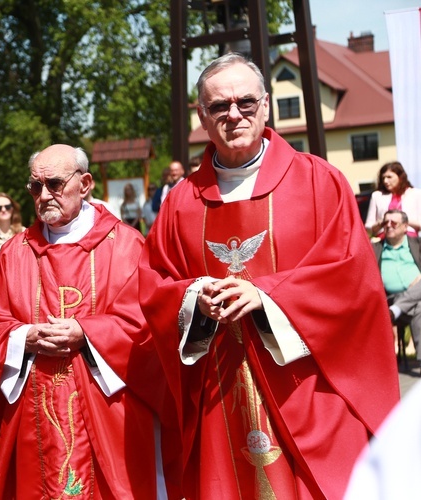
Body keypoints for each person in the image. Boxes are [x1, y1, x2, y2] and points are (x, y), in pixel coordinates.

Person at [138, 53, 399, 499]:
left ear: (265, 106)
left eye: (245, 101)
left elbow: (352, 280)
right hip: (219, 397)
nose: (233, 114)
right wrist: (194, 297)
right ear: (202, 116)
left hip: (305, 389)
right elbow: (152, 286)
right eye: (219, 106)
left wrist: (268, 297)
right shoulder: (180, 202)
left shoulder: (319, 182)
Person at [0, 144, 180, 499]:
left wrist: (87, 332)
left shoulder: (125, 246)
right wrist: (23, 336)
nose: (44, 194)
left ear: (86, 183)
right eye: (35, 187)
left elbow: (150, 323)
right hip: (36, 412)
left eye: (54, 183)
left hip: (110, 412)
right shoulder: (14, 253)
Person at [373, 210, 421, 356]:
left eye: (394, 222)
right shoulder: (375, 248)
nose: (389, 226)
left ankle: (396, 309)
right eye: (385, 223)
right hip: (389, 300)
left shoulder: (417, 244)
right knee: (419, 307)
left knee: (419, 305)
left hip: (402, 304)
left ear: (405, 226)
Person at [365, 161, 421, 238]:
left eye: (389, 177)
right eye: (383, 178)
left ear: (400, 177)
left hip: (410, 241)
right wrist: (381, 223)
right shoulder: (377, 196)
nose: (385, 181)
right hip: (383, 241)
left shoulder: (416, 193)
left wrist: (401, 221)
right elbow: (368, 227)